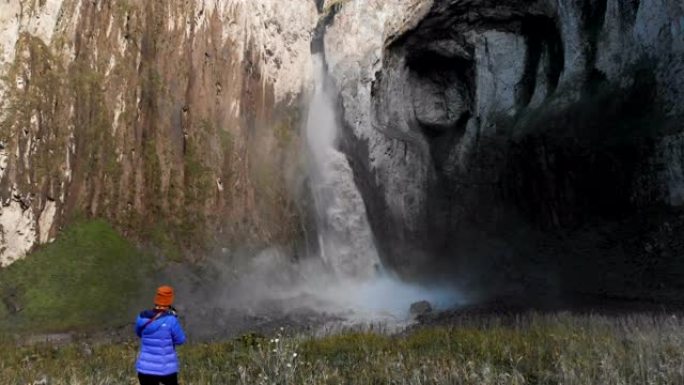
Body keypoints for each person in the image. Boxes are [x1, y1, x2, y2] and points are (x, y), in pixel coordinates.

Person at [135, 285, 186, 385]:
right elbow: (181, 340)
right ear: (169, 301)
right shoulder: (171, 320)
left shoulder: (142, 317)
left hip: (145, 369)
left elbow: (139, 333)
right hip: (166, 369)